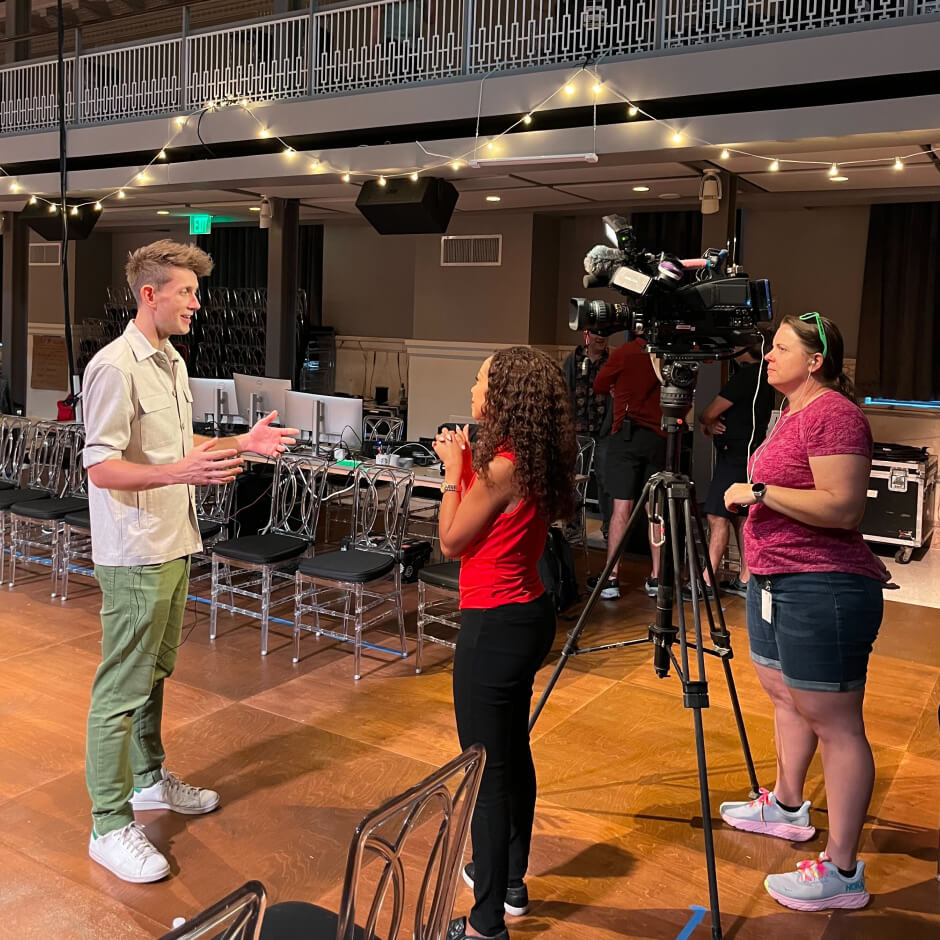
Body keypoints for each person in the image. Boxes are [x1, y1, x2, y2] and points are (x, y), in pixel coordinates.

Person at [82, 240, 297, 883]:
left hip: (176, 543)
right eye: (187, 292)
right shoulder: (114, 367)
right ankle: (108, 822)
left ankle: (148, 780)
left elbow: (180, 445)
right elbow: (100, 464)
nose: (196, 304)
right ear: (150, 294)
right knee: (121, 688)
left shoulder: (171, 363)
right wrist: (181, 469)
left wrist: (242, 442)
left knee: (155, 675)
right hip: (134, 553)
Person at [720, 313, 889, 912]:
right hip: (774, 578)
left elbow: (843, 509)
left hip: (823, 586)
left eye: (781, 348)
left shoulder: (835, 414)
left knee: (836, 724)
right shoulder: (791, 412)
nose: (768, 357)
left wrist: (758, 493)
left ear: (815, 360)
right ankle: (788, 805)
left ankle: (843, 872)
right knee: (786, 697)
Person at [433, 347, 576, 940]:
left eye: (479, 380)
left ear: (502, 397)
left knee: (485, 773)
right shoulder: (532, 457)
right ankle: (510, 880)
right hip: (528, 614)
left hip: (494, 625)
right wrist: (469, 465)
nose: (472, 388)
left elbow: (451, 540)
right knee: (512, 752)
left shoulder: (499, 468)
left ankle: (485, 921)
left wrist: (450, 473)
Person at [692, 338, 773, 599]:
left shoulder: (746, 376)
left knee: (717, 516)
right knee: (741, 517)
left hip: (735, 458)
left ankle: (706, 581)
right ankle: (745, 579)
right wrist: (711, 427)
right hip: (750, 455)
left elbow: (708, 413)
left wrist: (707, 423)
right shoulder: (765, 377)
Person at [587, 327, 665, 600]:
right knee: (655, 509)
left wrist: (617, 388)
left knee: (622, 507)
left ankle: (611, 577)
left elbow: (598, 385)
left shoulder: (626, 352)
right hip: (658, 437)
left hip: (626, 436)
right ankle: (658, 576)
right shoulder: (667, 354)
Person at [562, 330, 612, 541]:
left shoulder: (611, 361)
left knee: (606, 478)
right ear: (587, 335)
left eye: (604, 334)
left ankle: (609, 527)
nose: (601, 337)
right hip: (576, 429)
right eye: (596, 333)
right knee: (571, 478)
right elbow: (564, 391)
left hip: (604, 429)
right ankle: (572, 525)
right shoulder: (573, 360)